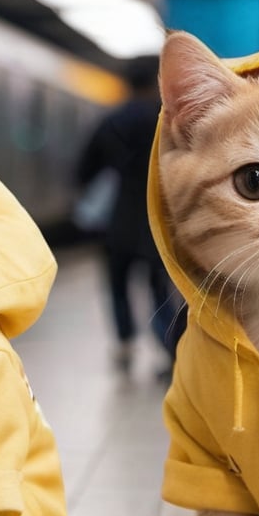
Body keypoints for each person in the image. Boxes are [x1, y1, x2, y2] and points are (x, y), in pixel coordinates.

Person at [76, 56, 183, 375]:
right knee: (159, 288)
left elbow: (84, 170)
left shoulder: (112, 121)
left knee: (118, 284)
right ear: (156, 82)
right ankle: (169, 348)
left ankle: (124, 341)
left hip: (118, 219)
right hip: (158, 219)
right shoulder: (164, 121)